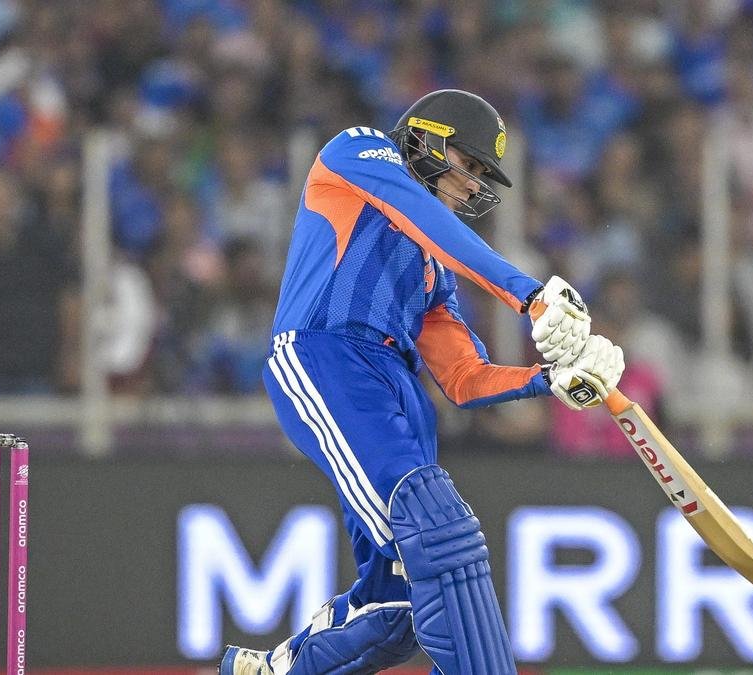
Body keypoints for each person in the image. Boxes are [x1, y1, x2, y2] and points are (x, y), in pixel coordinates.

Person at [220, 89, 624, 674]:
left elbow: (463, 377)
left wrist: (550, 378)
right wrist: (531, 296)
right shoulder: (356, 151)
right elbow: (422, 214)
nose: (473, 187)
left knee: (398, 608)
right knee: (436, 531)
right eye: (469, 165)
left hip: (397, 391)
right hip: (325, 358)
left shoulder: (434, 270)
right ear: (426, 139)